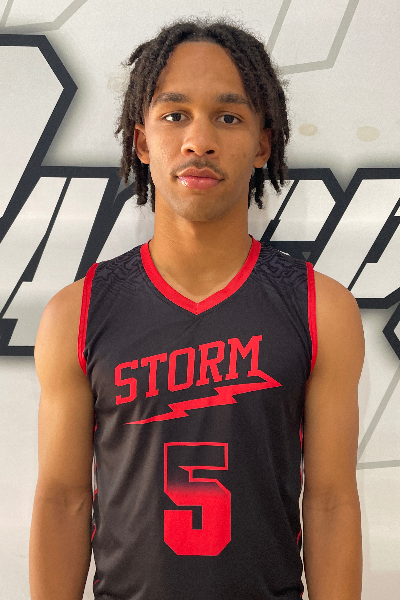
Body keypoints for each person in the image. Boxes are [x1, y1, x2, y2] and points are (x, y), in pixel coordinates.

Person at [29, 18, 364, 600]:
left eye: (228, 117)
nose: (199, 141)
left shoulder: (321, 308)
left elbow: (331, 501)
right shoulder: (75, 313)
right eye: (175, 114)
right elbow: (63, 499)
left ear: (263, 145)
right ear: (142, 142)